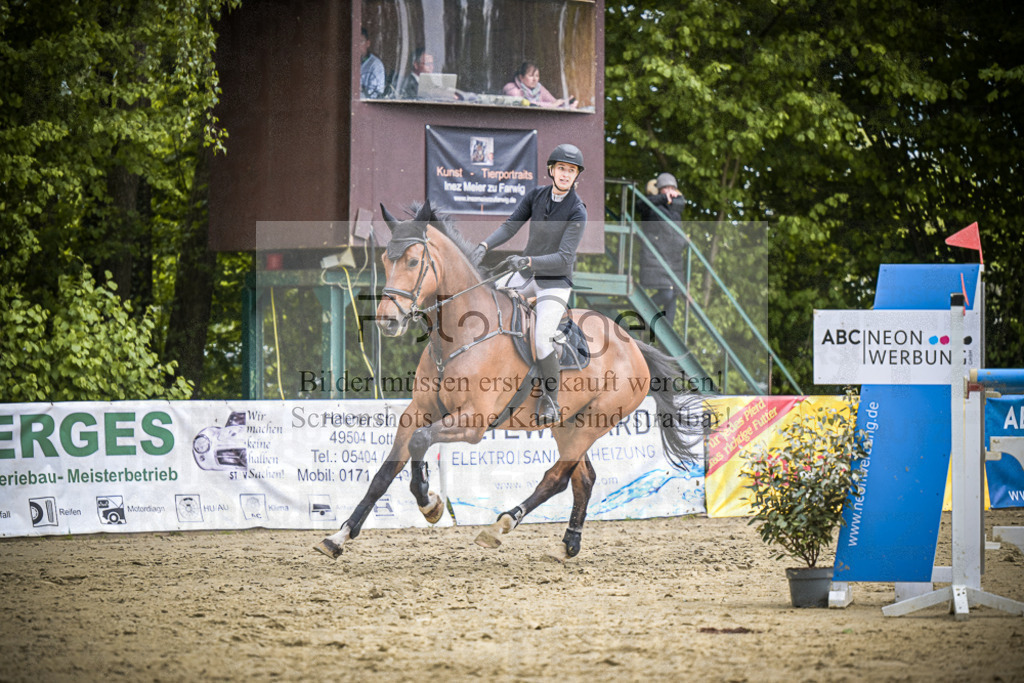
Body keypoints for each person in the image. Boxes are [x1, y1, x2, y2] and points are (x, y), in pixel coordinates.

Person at [470, 143, 587, 426]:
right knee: (485, 298)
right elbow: (511, 225)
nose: (565, 174)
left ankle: (551, 400)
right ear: (551, 170)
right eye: (561, 168)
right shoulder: (536, 195)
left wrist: (529, 261)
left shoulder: (578, 211)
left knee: (542, 338)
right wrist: (484, 246)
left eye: (571, 171)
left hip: (554, 283)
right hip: (527, 274)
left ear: (576, 176)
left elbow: (564, 257)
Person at [637, 172, 687, 339]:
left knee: (673, 297)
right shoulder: (651, 204)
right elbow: (640, 206)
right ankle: (642, 310)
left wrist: (682, 242)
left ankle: (666, 338)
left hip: (673, 259)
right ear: (659, 189)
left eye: (672, 188)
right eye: (666, 188)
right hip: (656, 256)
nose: (670, 191)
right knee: (666, 293)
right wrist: (664, 199)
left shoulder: (676, 209)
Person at [502, 62, 576, 108]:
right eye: (531, 76)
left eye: (537, 76)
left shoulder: (539, 88)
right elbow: (525, 104)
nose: (535, 79)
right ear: (521, 77)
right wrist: (551, 105)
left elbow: (554, 102)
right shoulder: (512, 89)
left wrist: (566, 103)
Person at [359, 28, 386, 99]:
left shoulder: (375, 65)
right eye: (354, 43)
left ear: (368, 43)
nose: (357, 46)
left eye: (361, 42)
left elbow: (376, 95)